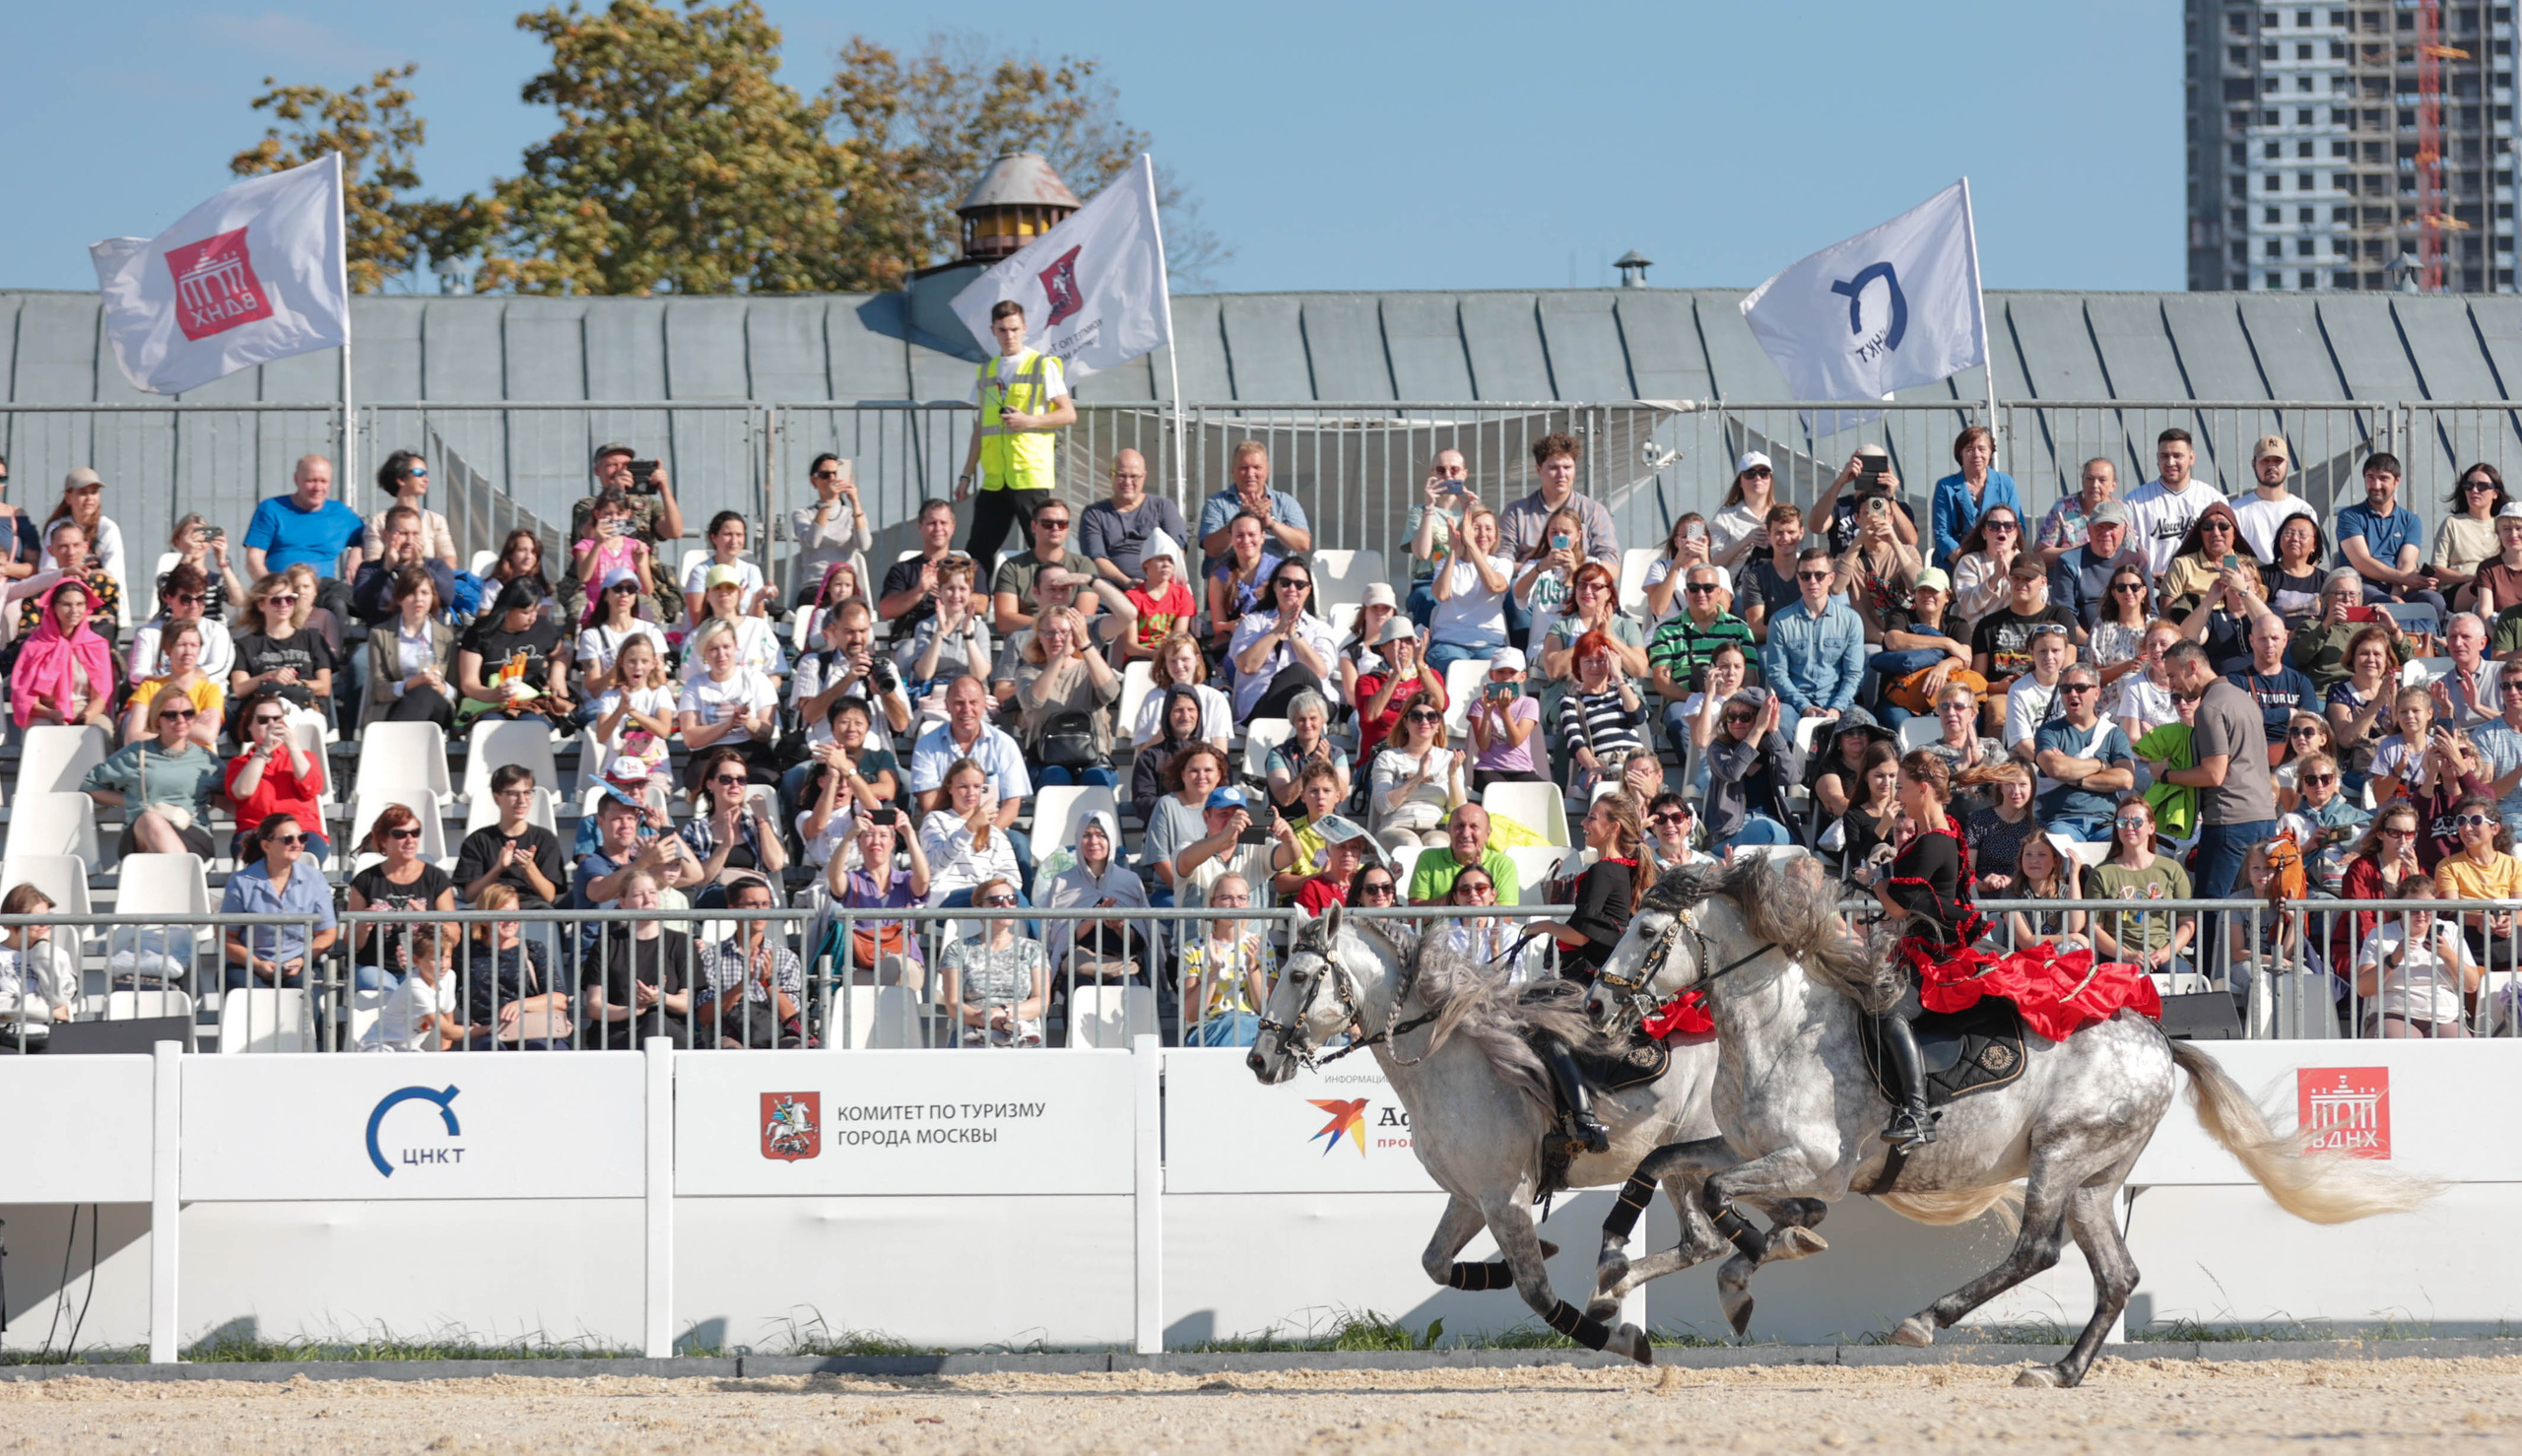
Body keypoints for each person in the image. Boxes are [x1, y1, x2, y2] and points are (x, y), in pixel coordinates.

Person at [1528, 792, 1657, 1151]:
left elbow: (1582, 935)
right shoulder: (1620, 870)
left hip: (1593, 980)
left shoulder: (1603, 870)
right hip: (1600, 977)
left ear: (1612, 828)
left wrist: (1544, 926)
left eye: (1592, 818)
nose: (1584, 824)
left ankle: (1584, 1119)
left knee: (1542, 1028)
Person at [2161, 638, 2278, 900]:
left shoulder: (2210, 707)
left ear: (2192, 666)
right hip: (2263, 817)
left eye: (2172, 675)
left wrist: (2167, 775)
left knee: (2211, 906)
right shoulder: (2244, 699)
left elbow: (2213, 774)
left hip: (2229, 820)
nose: (2172, 685)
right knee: (2251, 903)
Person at [82, 685, 221, 858]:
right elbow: (90, 786)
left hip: (191, 832)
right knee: (150, 820)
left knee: (153, 830)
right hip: (141, 833)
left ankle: (178, 875)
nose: (180, 720)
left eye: (188, 713)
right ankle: (183, 877)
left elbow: (230, 793)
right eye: (171, 715)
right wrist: (132, 801)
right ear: (157, 720)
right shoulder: (135, 754)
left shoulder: (205, 759)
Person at [908, 676, 1031, 869]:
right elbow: (929, 803)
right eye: (959, 703)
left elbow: (1012, 803)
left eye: (973, 702)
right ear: (947, 706)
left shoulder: (1004, 744)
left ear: (984, 705)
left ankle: (1019, 898)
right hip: (944, 830)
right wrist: (964, 833)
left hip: (992, 829)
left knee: (1019, 843)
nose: (966, 709)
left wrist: (986, 835)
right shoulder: (926, 745)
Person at [561, 445, 686, 626]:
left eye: (626, 465)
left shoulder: (647, 504)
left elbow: (674, 531)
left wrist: (665, 489)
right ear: (597, 470)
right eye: (612, 465)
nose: (620, 470)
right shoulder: (588, 506)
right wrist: (615, 492)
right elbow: (589, 533)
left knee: (650, 615)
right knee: (577, 614)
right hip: (594, 583)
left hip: (637, 581)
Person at [346, 803, 458, 991]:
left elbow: (455, 935)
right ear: (382, 840)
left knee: (417, 989)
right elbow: (351, 942)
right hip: (376, 967)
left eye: (415, 833)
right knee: (380, 986)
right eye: (399, 834)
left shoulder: (435, 878)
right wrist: (362, 929)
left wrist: (429, 921)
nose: (409, 840)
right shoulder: (366, 880)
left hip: (423, 967)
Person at [1760, 545, 1872, 734]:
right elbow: (1777, 673)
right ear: (1798, 579)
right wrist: (1803, 706)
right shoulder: (1780, 621)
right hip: (1794, 704)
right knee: (1782, 724)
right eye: (1805, 575)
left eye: (1819, 575)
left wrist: (1837, 708)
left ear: (1831, 578)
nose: (1812, 581)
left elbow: (1854, 674)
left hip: (1838, 702)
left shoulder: (1851, 620)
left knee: (1868, 726)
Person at [2354, 876, 2483, 1038]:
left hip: (2445, 1017)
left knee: (2459, 1049)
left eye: (2428, 909)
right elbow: (2364, 988)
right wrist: (2392, 960)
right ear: (2399, 908)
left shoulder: (2451, 931)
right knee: (2400, 1043)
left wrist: (2447, 955)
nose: (2422, 915)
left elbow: (2471, 985)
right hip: (2393, 1013)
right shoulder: (2381, 934)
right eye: (2414, 909)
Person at [219, 814, 338, 990]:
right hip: (249, 966)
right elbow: (227, 936)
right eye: (288, 839)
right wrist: (257, 965)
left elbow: (327, 933)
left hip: (300, 965)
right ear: (266, 845)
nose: (297, 844)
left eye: (302, 838)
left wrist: (301, 960)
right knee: (246, 994)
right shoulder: (241, 881)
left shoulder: (314, 878)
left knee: (304, 993)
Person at [578, 871, 695, 1049]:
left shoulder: (681, 943)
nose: (649, 900)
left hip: (671, 1033)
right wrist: (633, 1010)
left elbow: (687, 1003)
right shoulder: (607, 944)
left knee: (655, 1021)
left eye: (653, 892)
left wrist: (659, 998)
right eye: (639, 895)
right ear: (623, 902)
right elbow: (594, 1006)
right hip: (619, 1033)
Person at [2082, 796, 2196, 977]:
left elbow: (2187, 922)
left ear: (2151, 827)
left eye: (2136, 822)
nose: (2129, 827)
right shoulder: (2102, 873)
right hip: (2119, 957)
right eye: (2121, 822)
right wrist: (2126, 954)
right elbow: (2094, 927)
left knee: (2184, 979)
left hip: (2164, 955)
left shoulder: (2172, 869)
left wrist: (2166, 953)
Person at [1011, 605, 1121, 786]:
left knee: (1095, 779)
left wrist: (1085, 642)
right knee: (1057, 778)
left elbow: (1110, 693)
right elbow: (1034, 701)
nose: (1056, 638)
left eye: (1064, 632)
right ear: (1039, 635)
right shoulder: (1028, 672)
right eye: (1049, 633)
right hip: (1045, 762)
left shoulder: (1089, 669)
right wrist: (1060, 656)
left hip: (1094, 760)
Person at [1647, 564, 1756, 749]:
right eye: (1694, 588)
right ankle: (1695, 775)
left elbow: (1751, 676)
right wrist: (1696, 699)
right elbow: (1661, 681)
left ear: (1720, 591)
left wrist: (1727, 700)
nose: (1701, 594)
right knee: (1679, 726)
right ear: (1686, 592)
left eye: (1708, 588)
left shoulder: (1740, 628)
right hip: (1684, 700)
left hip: (1732, 699)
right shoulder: (1665, 631)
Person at [1040, 810, 1150, 985]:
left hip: (1121, 965)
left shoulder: (1129, 881)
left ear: (1111, 839)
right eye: (1086, 835)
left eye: (1101, 835)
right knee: (1079, 991)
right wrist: (1090, 921)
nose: (1093, 842)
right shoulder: (1063, 882)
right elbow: (1056, 940)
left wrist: (1120, 927)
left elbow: (1141, 942)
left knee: (1129, 990)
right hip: (1078, 968)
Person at [693, 878, 804, 1049]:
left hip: (776, 1034)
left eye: (765, 904)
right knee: (728, 1050)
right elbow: (705, 1017)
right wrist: (742, 985)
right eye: (752, 904)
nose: (760, 911)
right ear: (732, 909)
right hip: (729, 1034)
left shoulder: (786, 958)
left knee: (796, 1050)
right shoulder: (711, 957)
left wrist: (767, 982)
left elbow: (791, 1016)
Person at [825, 812, 930, 991]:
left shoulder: (905, 880)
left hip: (906, 963)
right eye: (868, 836)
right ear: (859, 843)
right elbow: (834, 878)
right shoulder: (853, 881)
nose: (876, 841)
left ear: (892, 843)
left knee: (896, 966)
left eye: (883, 835)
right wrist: (848, 836)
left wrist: (910, 835)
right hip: (865, 966)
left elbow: (924, 880)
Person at [1864, 566, 1977, 733]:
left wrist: (1944, 666)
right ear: (1914, 594)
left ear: (1947, 596)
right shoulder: (1899, 615)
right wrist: (1947, 643)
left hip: (1946, 701)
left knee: (1971, 720)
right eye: (1922, 590)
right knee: (1899, 723)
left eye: (1934, 591)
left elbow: (1965, 657)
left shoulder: (1958, 625)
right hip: (1899, 699)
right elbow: (1894, 641)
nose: (1927, 595)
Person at [2032, 664, 2138, 841]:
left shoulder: (2114, 734)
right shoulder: (2048, 731)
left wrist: (2073, 775)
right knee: (2062, 854)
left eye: (2080, 688)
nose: (2073, 694)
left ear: (2097, 693)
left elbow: (2125, 779)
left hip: (2106, 823)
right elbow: (2055, 768)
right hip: (2061, 820)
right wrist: (2101, 765)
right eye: (2066, 689)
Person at [938, 876, 1046, 1046]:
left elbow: (1041, 1002)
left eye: (1012, 900)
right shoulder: (957, 949)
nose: (1006, 906)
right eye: (996, 901)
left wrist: (1003, 1013)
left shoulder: (1033, 949)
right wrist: (986, 1020)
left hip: (1023, 1036)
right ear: (978, 908)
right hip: (972, 1033)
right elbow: (952, 1005)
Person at [677, 617, 782, 785]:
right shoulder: (694, 686)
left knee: (764, 779)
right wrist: (727, 725)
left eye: (726, 647)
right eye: (713, 649)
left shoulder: (756, 679)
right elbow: (690, 737)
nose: (721, 655)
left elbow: (766, 732)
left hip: (751, 751)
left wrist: (747, 722)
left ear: (735, 646)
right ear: (704, 652)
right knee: (701, 780)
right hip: (709, 754)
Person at [1228, 559, 1338, 719]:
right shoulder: (1253, 622)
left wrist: (1293, 634)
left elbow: (1320, 672)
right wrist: (1279, 630)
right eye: (1285, 582)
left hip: (1315, 708)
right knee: (1296, 672)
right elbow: (1246, 666)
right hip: (1263, 708)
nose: (1292, 589)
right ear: (1274, 586)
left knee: (1299, 672)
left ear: (1308, 590)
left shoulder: (1319, 628)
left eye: (1300, 585)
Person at [2335, 452, 2445, 612]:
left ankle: (2425, 637)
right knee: (2384, 604)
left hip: (2400, 586)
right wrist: (2403, 581)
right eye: (2370, 478)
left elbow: (2406, 562)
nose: (2376, 485)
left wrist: (2396, 592)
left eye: (2383, 479)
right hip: (2362, 585)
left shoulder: (2411, 520)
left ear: (2397, 481)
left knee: (2435, 602)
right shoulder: (2350, 516)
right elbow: (2361, 562)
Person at [679, 746, 789, 906]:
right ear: (710, 784)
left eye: (742, 780)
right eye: (726, 779)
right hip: (715, 899)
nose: (735, 785)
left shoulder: (756, 823)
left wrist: (763, 820)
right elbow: (701, 881)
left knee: (753, 898)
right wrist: (725, 846)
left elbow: (776, 863)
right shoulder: (696, 828)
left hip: (757, 898)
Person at [224, 693, 328, 862]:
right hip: (256, 831)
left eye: (277, 719)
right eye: (263, 720)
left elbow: (311, 788)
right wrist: (264, 750)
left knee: (308, 858)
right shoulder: (240, 763)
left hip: (302, 830)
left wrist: (292, 745)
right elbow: (242, 791)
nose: (272, 725)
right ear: (250, 726)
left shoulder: (305, 757)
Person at [456, 577, 570, 726]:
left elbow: (561, 654)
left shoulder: (543, 628)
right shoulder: (480, 632)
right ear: (508, 609)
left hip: (532, 704)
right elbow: (469, 683)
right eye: (526, 613)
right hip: (490, 705)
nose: (533, 618)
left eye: (535, 611)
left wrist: (557, 673)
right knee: (491, 725)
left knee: (531, 725)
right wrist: (492, 695)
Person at [357, 566, 459, 732]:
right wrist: (410, 684)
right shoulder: (380, 635)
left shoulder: (446, 637)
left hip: (439, 709)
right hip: (395, 706)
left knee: (425, 693)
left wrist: (442, 688)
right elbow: (379, 690)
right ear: (399, 598)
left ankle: (393, 746)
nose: (418, 599)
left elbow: (456, 691)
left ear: (432, 597)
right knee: (421, 692)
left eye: (425, 593)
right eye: (411, 593)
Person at [1970, 562, 2079, 714]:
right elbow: (1976, 680)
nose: (2021, 584)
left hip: (2048, 690)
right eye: (2016, 578)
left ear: (2043, 582)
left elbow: (2067, 668)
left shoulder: (2060, 616)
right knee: (1996, 711)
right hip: (2003, 694)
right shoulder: (1988, 624)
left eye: (2028, 579)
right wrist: (1996, 687)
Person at [241, 454, 364, 591]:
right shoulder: (272, 509)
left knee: (342, 602)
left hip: (323, 590)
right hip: (283, 589)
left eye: (323, 481)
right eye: (311, 481)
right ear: (296, 479)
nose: (317, 488)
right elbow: (254, 560)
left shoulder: (341, 513)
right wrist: (273, 590)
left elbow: (370, 537)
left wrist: (356, 552)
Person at [456, 763, 566, 909]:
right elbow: (470, 895)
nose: (522, 800)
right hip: (490, 907)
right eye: (513, 793)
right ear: (497, 798)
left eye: (527, 793)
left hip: (531, 907)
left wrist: (528, 867)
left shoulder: (545, 839)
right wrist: (498, 868)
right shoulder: (478, 840)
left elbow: (549, 895)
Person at [10, 577, 114, 733]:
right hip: (44, 712)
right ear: (53, 607)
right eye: (67, 604)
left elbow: (101, 695)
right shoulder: (35, 645)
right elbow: (24, 696)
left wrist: (85, 716)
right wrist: (51, 714)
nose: (74, 611)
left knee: (102, 732)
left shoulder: (97, 645)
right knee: (42, 736)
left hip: (84, 709)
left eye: (80, 604)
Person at [1497, 431, 1617, 565]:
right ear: (1538, 470)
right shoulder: (1515, 512)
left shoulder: (1595, 512)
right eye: (1553, 468)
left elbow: (1611, 564)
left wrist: (1576, 569)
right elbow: (1502, 563)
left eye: (1567, 467)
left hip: (1578, 583)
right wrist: (1540, 570)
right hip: (1529, 584)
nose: (1561, 474)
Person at [1179, 874, 1270, 1046]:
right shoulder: (1194, 948)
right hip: (1209, 1029)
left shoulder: (1261, 945)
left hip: (1252, 1027)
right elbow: (1191, 1014)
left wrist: (1252, 968)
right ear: (1213, 902)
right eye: (1226, 898)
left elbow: (1265, 1009)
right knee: (1235, 1026)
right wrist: (1213, 974)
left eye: (1241, 898)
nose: (1235, 905)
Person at [1701, 688, 1797, 850]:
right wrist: (1757, 730)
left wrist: (1773, 731)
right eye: (1731, 717)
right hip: (1729, 832)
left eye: (1745, 717)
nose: (1737, 723)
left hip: (1772, 825)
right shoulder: (1719, 748)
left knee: (1769, 832)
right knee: (1763, 830)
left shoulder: (1772, 747)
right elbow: (1733, 773)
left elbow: (1792, 778)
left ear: (1760, 718)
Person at [922, 757, 1026, 906]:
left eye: (977, 787)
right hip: (947, 897)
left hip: (989, 896)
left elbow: (1012, 876)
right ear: (950, 788)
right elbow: (934, 866)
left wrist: (996, 889)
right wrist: (969, 828)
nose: (971, 793)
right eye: (963, 786)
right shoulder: (935, 819)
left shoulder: (993, 830)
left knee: (1018, 899)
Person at [1426, 503, 1515, 674]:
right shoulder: (1446, 563)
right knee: (1455, 670)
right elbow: (1441, 594)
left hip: (1490, 645)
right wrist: (1453, 550)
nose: (1483, 534)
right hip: (1449, 643)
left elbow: (1495, 585)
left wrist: (1472, 546)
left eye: (1488, 528)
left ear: (1496, 535)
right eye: (1476, 528)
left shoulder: (1502, 564)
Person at [1081, 447, 1188, 588]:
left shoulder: (1163, 507)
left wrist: (1157, 583)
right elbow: (1096, 558)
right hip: (1113, 587)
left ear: (1144, 476)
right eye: (1121, 475)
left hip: (1162, 586)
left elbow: (1178, 550)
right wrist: (1128, 583)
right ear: (1110, 475)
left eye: (1134, 477)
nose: (1127, 482)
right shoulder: (1094, 514)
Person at [1558, 629, 1648, 795]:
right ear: (1578, 664)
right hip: (1601, 764)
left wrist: (1619, 677)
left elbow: (1638, 717)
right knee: (1606, 791)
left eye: (1601, 661)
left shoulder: (1621, 692)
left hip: (1634, 762)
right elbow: (1576, 743)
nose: (1595, 667)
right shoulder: (1571, 701)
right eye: (1588, 661)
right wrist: (1595, 767)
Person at [1366, 700, 1463, 854]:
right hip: (1396, 826)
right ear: (1405, 723)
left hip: (1435, 826)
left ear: (1438, 724)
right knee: (1410, 846)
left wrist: (1452, 776)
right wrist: (1417, 778)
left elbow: (1456, 810)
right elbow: (1383, 806)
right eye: (1416, 717)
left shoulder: (1450, 758)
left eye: (1432, 717)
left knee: (1437, 846)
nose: (1424, 721)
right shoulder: (1388, 757)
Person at [1196, 439, 1312, 564]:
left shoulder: (1284, 502)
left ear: (1267, 470)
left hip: (1275, 578)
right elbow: (1212, 549)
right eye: (1244, 468)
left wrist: (1270, 524)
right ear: (1233, 470)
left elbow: (1303, 544)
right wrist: (1240, 519)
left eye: (1257, 467)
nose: (1250, 474)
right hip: (1230, 579)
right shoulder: (1217, 503)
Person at [2122, 429, 2217, 578]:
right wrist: (2144, 577)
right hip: (2151, 589)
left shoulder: (2212, 499)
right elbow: (2125, 552)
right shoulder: (2134, 501)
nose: (2170, 462)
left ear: (2191, 458)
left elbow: (2228, 549)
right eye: (2164, 456)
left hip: (2202, 586)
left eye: (2177, 456)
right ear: (2157, 459)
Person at [989, 497, 1090, 636]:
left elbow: (1084, 619)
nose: (1055, 528)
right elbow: (1005, 621)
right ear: (1033, 527)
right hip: (1025, 639)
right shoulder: (1012, 567)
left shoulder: (1083, 565)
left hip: (1070, 640)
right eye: (1048, 523)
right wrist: (1049, 627)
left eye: (1062, 524)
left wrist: (1049, 627)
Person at [350, 505, 461, 631]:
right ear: (386, 535)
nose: (409, 541)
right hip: (388, 640)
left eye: (415, 534)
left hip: (429, 640)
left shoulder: (436, 566)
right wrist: (386, 569)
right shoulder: (370, 570)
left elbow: (447, 598)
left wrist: (420, 567)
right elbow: (362, 605)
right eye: (403, 533)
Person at [2291, 569, 2405, 693]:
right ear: (2326, 597)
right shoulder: (2311, 626)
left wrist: (2393, 628)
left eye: (2352, 594)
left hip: (2369, 693)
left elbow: (2404, 657)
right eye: (2340, 593)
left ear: (2360, 598)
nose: (2347, 599)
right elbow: (2299, 657)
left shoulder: (2371, 627)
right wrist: (2326, 625)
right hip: (2327, 694)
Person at [358, 923, 464, 1053]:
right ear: (416, 960)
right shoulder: (415, 986)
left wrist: (443, 1055)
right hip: (378, 1045)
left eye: (447, 957)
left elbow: (448, 1021)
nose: (443, 965)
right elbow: (447, 1031)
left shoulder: (449, 976)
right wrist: (487, 1030)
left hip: (409, 1049)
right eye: (435, 959)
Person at [128, 563, 236, 688]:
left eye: (200, 599)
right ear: (168, 598)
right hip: (159, 701)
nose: (194, 606)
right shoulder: (149, 633)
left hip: (204, 701)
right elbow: (136, 677)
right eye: (186, 599)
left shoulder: (217, 631)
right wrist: (173, 684)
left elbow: (218, 670)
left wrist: (173, 681)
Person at [1353, 621, 1445, 761]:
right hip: (1382, 757)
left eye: (1408, 641)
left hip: (1424, 755)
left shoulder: (1430, 675)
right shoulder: (1368, 680)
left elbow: (1441, 705)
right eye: (1394, 641)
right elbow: (1370, 715)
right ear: (1382, 647)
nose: (1402, 646)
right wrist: (1396, 674)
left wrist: (1420, 664)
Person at [678, 563, 786, 685]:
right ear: (707, 595)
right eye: (717, 588)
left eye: (730, 587)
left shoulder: (759, 628)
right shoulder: (695, 637)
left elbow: (775, 675)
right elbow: (689, 683)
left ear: (739, 593)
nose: (724, 593)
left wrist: (758, 698)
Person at [1927, 426, 2018, 569]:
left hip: (1998, 560)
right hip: (1954, 562)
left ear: (1990, 453)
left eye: (1982, 449)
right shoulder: (1945, 486)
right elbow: (1942, 534)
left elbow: (2017, 527)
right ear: (1960, 454)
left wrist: (1998, 560)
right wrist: (1967, 564)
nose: (1976, 455)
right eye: (1969, 450)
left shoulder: (2005, 483)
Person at [2226, 611, 2319, 751]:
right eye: (2262, 639)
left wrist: (2261, 718)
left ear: (2285, 640)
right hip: (2251, 755)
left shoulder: (2300, 681)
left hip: (2293, 756)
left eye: (2275, 638)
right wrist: (2287, 714)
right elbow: (2239, 721)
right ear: (2252, 641)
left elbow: (2311, 725)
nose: (2269, 644)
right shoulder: (2236, 681)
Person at [122, 621, 223, 748]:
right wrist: (193, 723)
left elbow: (208, 736)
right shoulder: (150, 688)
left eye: (194, 645)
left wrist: (159, 727)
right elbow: (132, 738)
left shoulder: (210, 690)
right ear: (168, 649)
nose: (188, 651)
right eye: (181, 645)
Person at [0, 883, 76, 1049]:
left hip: (50, 1040)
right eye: (37, 919)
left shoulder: (57, 955)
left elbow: (59, 998)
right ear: (13, 920)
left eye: (48, 918)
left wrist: (42, 948)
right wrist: (49, 1011)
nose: (45, 924)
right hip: (4, 1042)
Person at [1403, 451, 1475, 627]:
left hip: (1464, 580)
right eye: (1441, 470)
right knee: (1427, 598)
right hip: (1428, 580)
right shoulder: (1419, 512)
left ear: (1464, 474)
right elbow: (1422, 553)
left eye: (1454, 469)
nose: (1448, 475)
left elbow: (1480, 554)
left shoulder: (1473, 511)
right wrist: (1429, 508)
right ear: (1432, 474)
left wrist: (1470, 514)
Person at [792, 453, 872, 609]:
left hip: (846, 587)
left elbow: (864, 544)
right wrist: (827, 503)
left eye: (836, 474)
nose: (832, 479)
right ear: (814, 481)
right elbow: (813, 541)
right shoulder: (802, 514)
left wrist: (855, 502)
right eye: (825, 475)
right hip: (816, 585)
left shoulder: (852, 514)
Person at [877, 500, 964, 639]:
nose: (938, 528)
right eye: (932, 523)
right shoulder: (902, 569)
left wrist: (949, 594)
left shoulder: (967, 567)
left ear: (953, 527)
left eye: (943, 523)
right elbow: (886, 610)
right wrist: (919, 591)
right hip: (913, 642)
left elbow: (982, 604)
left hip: (957, 641)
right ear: (920, 527)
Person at [1809, 445, 1917, 557]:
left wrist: (1890, 498)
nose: (1871, 474)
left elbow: (1910, 542)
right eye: (1865, 468)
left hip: (1884, 571)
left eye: (1877, 469)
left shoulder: (1898, 507)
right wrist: (1840, 482)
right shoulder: (1840, 506)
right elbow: (1815, 527)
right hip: (1846, 569)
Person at [2223, 434, 2313, 566]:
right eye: (2265, 460)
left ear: (2286, 464)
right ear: (2254, 464)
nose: (2271, 466)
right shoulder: (2236, 510)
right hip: (2251, 581)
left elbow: (2312, 556)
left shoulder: (2303, 510)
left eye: (2278, 461)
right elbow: (2227, 554)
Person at [1408, 802, 1520, 905]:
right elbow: (1414, 915)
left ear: (1488, 833)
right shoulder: (1429, 858)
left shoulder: (1502, 864)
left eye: (1474, 826)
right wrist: (1460, 893)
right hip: (1438, 927)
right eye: (1459, 826)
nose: (1466, 834)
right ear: (1449, 830)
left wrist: (1476, 883)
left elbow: (1506, 918)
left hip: (1484, 928)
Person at [1205, 511, 1285, 656]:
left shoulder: (1280, 570)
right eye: (1240, 535)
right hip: (1237, 646)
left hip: (1275, 642)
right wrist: (1233, 625)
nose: (1246, 540)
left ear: (1262, 537)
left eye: (1251, 534)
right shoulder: (1219, 576)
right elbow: (1218, 625)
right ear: (1231, 539)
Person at [1819, 740, 1902, 877]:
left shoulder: (1907, 811)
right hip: (1872, 882)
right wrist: (1883, 827)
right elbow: (1858, 862)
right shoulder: (1854, 815)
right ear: (1865, 776)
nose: (1887, 783)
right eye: (1879, 776)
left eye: (1892, 776)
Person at [1468, 650, 1546, 793]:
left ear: (1522, 677)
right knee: (1499, 791)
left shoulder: (1529, 703)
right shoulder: (1479, 704)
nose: (1506, 677)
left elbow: (1515, 740)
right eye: (1501, 672)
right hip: (1489, 768)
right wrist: (1487, 712)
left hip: (1522, 769)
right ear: (1492, 675)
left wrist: (1504, 710)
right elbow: (1483, 745)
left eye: (1512, 672)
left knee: (1544, 791)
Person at [365, 449, 459, 567]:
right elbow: (372, 563)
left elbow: (450, 559)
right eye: (419, 473)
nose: (426, 479)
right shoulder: (379, 521)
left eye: (426, 474)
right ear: (401, 480)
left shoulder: (436, 520)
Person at [1264, 690, 1352, 810]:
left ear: (1323, 720)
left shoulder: (1337, 754)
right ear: (1293, 722)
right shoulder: (1278, 755)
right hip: (1289, 821)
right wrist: (1310, 769)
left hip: (1328, 822)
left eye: (1313, 718)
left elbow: (1341, 795)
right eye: (1301, 719)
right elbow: (1284, 799)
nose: (1307, 724)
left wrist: (1327, 765)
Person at [2157, 500, 2251, 614]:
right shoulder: (2182, 565)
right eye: (2208, 527)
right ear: (2200, 533)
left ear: (2235, 532)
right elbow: (2166, 615)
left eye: (2223, 526)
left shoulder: (2249, 566)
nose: (2216, 533)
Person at [1948, 503, 2025, 636]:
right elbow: (1968, 605)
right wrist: (1994, 580)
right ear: (1984, 533)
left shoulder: (2027, 562)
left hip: (2018, 637)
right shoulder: (1970, 562)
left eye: (2008, 526)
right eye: (1994, 526)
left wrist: (2013, 581)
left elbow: (2040, 601)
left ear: (2015, 533)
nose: (2002, 530)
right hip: (1979, 640)